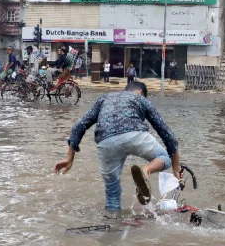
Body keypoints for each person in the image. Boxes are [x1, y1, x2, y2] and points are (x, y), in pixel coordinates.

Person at [54, 81, 181, 210]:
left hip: (106, 142)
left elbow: (79, 125)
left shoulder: (105, 98)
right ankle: (146, 171)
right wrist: (176, 167)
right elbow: (166, 133)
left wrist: (69, 157)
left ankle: (113, 226)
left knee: (112, 195)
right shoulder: (140, 98)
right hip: (134, 135)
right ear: (140, 92)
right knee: (164, 157)